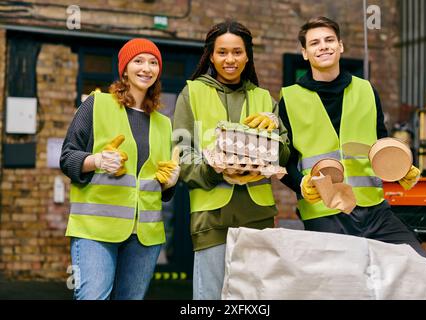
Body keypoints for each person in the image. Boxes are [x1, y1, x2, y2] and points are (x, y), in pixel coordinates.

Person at [279, 16, 426, 272]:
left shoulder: (366, 90)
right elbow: (282, 160)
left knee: (421, 268)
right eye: (315, 43)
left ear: (340, 46)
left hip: (374, 210)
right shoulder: (290, 99)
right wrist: (300, 184)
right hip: (324, 211)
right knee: (346, 283)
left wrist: (400, 169)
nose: (324, 46)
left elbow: (380, 145)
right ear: (305, 53)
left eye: (329, 40)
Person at [173, 20, 290, 300]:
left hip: (257, 215)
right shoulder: (192, 93)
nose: (230, 59)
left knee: (254, 298)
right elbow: (181, 151)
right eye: (222, 52)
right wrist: (213, 169)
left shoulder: (263, 97)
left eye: (237, 52)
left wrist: (274, 128)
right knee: (210, 297)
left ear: (247, 55)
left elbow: (285, 152)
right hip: (212, 216)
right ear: (211, 56)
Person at [60, 38, 180, 300]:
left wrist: (170, 183)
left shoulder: (164, 124)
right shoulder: (96, 104)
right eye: (138, 61)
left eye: (153, 62)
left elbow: (158, 185)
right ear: (124, 68)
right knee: (93, 296)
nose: (146, 68)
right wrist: (97, 160)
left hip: (145, 235)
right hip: (96, 228)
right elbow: (67, 157)